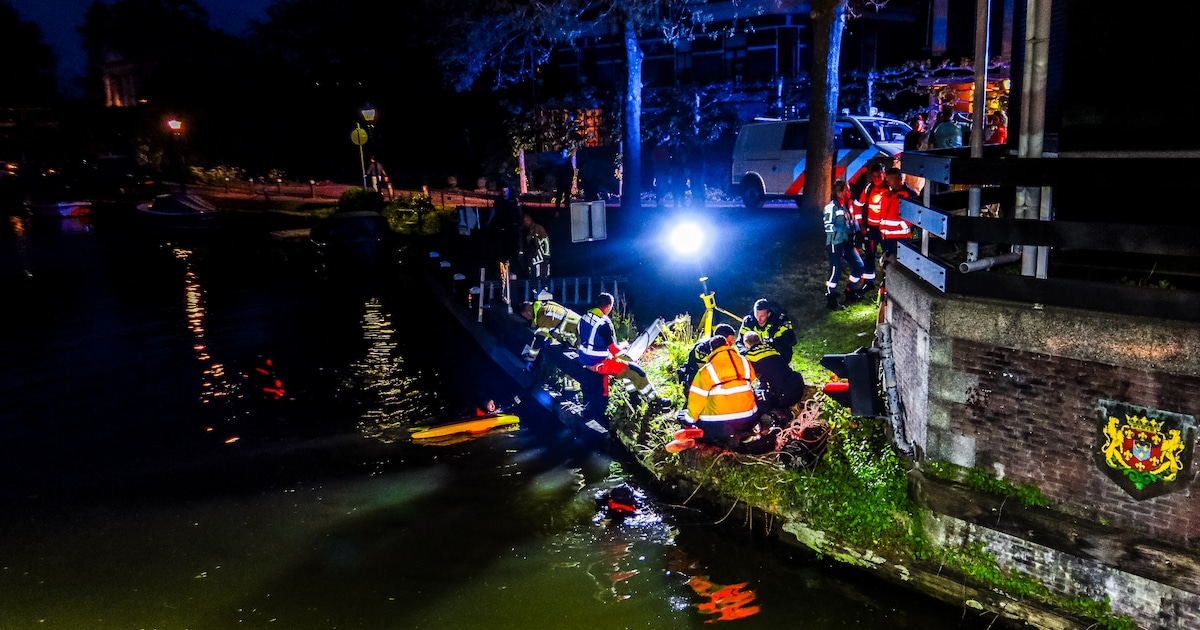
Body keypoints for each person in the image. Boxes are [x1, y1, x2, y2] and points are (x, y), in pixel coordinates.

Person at [577, 292, 669, 411]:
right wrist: (623, 345)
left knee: (627, 362)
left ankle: (634, 398)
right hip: (599, 363)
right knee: (637, 372)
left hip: (585, 359)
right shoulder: (604, 323)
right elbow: (614, 351)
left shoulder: (585, 317)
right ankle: (655, 401)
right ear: (609, 306)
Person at [682, 336, 759, 449]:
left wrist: (688, 421)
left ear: (711, 350)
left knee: (697, 417)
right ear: (727, 345)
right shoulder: (744, 361)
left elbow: (697, 400)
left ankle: (722, 441)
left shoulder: (707, 370)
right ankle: (743, 435)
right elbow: (751, 379)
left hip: (719, 424)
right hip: (750, 419)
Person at [742, 331, 805, 425]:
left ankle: (778, 414)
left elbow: (748, 379)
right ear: (759, 340)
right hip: (797, 388)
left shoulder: (749, 356)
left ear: (746, 344)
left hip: (783, 397)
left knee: (752, 396)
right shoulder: (772, 349)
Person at [823, 179, 867, 310]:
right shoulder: (831, 207)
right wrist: (843, 231)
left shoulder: (847, 205)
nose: (849, 192)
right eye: (847, 190)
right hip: (835, 243)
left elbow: (851, 221)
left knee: (859, 266)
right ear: (839, 193)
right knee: (835, 270)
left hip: (847, 242)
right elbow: (828, 226)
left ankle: (850, 290)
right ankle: (831, 299)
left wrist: (856, 230)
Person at [852, 162, 886, 290]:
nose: (877, 179)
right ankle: (869, 281)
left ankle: (887, 281)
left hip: (885, 229)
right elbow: (857, 205)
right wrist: (861, 224)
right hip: (871, 228)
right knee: (869, 254)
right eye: (874, 176)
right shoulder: (868, 189)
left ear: (884, 175)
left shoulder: (889, 189)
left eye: (879, 176)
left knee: (887, 254)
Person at [519, 297, 582, 365]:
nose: (528, 318)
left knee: (584, 359)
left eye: (526, 316)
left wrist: (531, 358)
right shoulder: (546, 307)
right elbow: (553, 325)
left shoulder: (543, 315)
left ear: (528, 311)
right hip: (579, 328)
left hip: (579, 331)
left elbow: (539, 339)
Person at [735, 298, 796, 365]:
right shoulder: (748, 322)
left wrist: (770, 346)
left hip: (777, 356)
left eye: (762, 316)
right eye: (757, 315)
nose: (759, 319)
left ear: (768, 314)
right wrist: (748, 353)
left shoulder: (779, 321)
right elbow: (739, 342)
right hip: (756, 357)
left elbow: (791, 341)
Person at [878, 167, 918, 268]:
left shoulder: (909, 194)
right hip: (886, 237)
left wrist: (904, 226)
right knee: (887, 263)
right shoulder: (888, 193)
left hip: (900, 238)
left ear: (898, 179)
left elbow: (915, 215)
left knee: (898, 264)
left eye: (889, 179)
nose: (887, 182)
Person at [677, 323, 737, 387]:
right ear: (720, 339)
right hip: (696, 382)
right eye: (729, 342)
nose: (732, 344)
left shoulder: (725, 349)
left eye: (733, 341)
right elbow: (705, 370)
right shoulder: (702, 349)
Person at [518, 213, 550, 278]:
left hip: (541, 258)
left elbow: (546, 241)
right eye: (524, 221)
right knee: (532, 275)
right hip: (530, 258)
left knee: (542, 275)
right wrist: (521, 255)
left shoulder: (539, 228)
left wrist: (546, 255)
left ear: (530, 219)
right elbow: (521, 244)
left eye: (527, 220)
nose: (526, 223)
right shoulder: (522, 231)